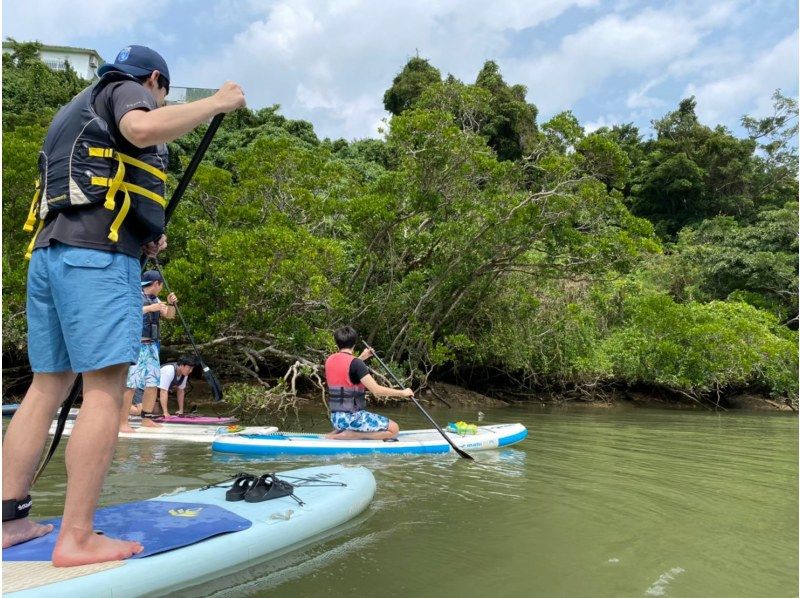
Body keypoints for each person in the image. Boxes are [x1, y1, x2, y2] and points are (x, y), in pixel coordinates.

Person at [2, 44, 245, 566]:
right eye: (161, 94)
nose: (156, 103)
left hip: (50, 255)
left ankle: (9, 522)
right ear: (155, 80)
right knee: (106, 393)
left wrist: (143, 233)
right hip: (95, 261)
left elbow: (98, 182)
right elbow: (139, 130)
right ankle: (77, 537)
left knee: (46, 388)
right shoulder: (128, 88)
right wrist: (216, 103)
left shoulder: (75, 105)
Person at [324, 326, 413, 440]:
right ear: (354, 343)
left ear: (337, 343)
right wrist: (403, 393)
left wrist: (362, 357)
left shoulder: (330, 360)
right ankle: (353, 435)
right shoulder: (356, 364)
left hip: (336, 419)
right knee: (394, 429)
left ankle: (338, 432)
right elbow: (376, 390)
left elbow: (347, 369)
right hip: (352, 418)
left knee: (357, 420)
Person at [118, 269, 177, 433]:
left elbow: (170, 316)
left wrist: (171, 304)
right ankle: (122, 422)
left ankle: (147, 419)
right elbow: (128, 313)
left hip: (152, 346)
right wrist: (151, 308)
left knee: (152, 382)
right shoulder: (136, 296)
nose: (161, 288)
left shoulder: (155, 299)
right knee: (131, 384)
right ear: (157, 284)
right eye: (161, 285)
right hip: (137, 346)